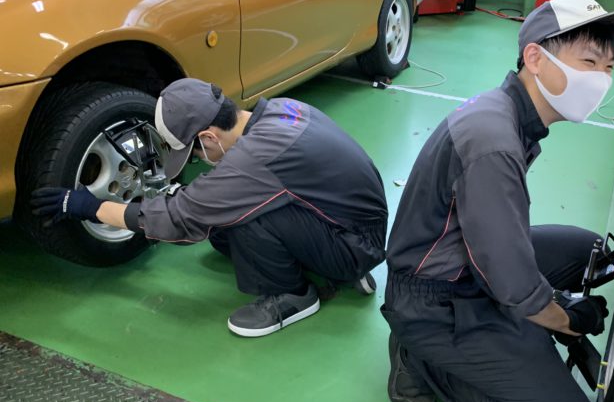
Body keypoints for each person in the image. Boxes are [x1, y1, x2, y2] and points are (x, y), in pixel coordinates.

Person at [381, 0, 614, 402]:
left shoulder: (509, 113)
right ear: (535, 57)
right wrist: (564, 317)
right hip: (431, 298)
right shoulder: (494, 141)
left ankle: (485, 342)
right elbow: (512, 283)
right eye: (588, 62)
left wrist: (549, 306)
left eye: (609, 67)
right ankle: (423, 356)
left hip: (459, 263)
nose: (601, 81)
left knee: (585, 250)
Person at [31, 79, 388, 337]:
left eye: (195, 153)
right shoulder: (280, 109)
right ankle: (325, 263)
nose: (198, 161)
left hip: (355, 244)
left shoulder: (255, 160)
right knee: (221, 233)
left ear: (209, 137)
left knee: (246, 217)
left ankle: (294, 296)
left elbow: (178, 218)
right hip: (350, 220)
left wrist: (89, 206)